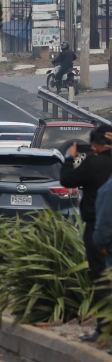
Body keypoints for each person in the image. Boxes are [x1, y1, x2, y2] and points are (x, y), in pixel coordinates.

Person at [62, 124, 112, 341]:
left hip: (97, 227)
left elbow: (67, 180)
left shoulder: (93, 163)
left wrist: (69, 157)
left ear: (96, 144)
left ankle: (104, 330)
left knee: (101, 281)